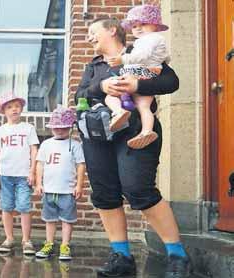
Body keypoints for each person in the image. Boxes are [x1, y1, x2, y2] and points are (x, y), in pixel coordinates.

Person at [76, 17, 192, 277]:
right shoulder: (93, 66)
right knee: (105, 193)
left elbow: (170, 82)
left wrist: (137, 85)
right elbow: (80, 95)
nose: (89, 37)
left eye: (93, 32)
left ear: (112, 30)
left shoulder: (140, 53)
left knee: (138, 188)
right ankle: (121, 257)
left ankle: (177, 255)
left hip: (138, 130)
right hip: (98, 134)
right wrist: (102, 86)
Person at [106, 5, 171, 149]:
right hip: (151, 74)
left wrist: (122, 59)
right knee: (144, 106)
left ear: (155, 25)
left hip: (141, 72)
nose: (139, 28)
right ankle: (147, 131)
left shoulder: (149, 39)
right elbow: (165, 57)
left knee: (111, 93)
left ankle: (119, 111)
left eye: (143, 24)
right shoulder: (157, 40)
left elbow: (142, 56)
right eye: (135, 26)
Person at [35, 106, 86, 261]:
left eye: (63, 128)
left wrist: (79, 185)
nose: (59, 130)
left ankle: (65, 244)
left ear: (70, 127)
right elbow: (40, 164)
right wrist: (39, 183)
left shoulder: (75, 145)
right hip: (49, 189)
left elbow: (81, 165)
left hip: (67, 190)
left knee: (67, 219)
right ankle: (49, 243)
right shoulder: (46, 144)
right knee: (50, 219)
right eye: (56, 127)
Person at [0, 92, 39, 255]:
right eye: (10, 107)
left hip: (23, 175)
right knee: (6, 206)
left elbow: (34, 151)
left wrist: (32, 172)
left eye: (17, 106)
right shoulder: (0, 131)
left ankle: (26, 239)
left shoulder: (28, 128)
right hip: (5, 175)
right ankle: (9, 238)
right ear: (4, 111)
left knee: (24, 206)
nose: (14, 110)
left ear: (22, 109)